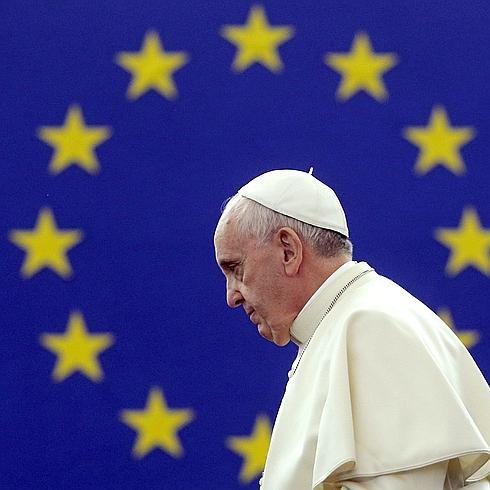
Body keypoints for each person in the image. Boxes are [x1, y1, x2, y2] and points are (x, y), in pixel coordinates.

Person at [213, 168, 490, 490]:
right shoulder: (341, 324)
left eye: (236, 268)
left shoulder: (372, 326)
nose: (231, 296)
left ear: (288, 250)